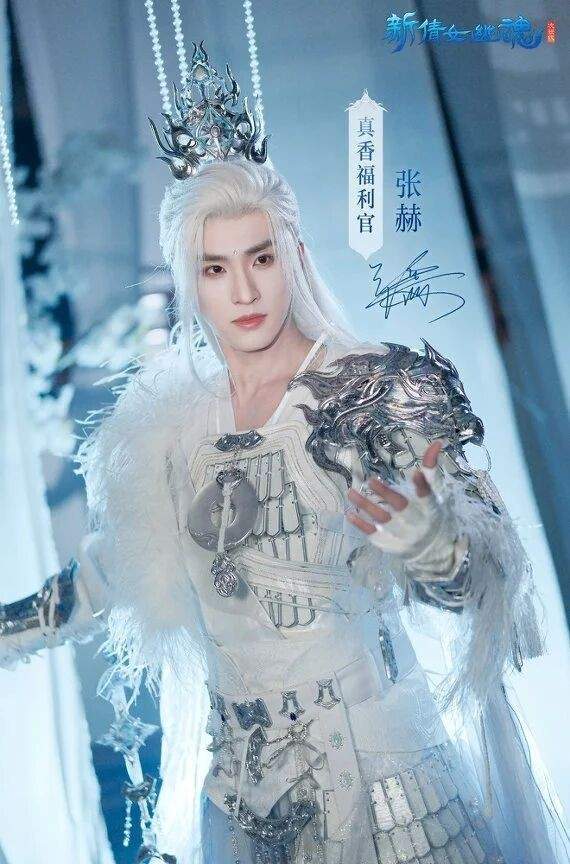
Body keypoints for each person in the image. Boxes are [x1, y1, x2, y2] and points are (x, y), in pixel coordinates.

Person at [1, 47, 568, 864]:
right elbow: (106, 576)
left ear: (294, 255)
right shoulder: (170, 428)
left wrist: (438, 548)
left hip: (389, 794)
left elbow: (486, 573)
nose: (243, 292)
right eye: (216, 268)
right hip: (241, 804)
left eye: (261, 258)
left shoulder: (373, 389)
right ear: (190, 280)